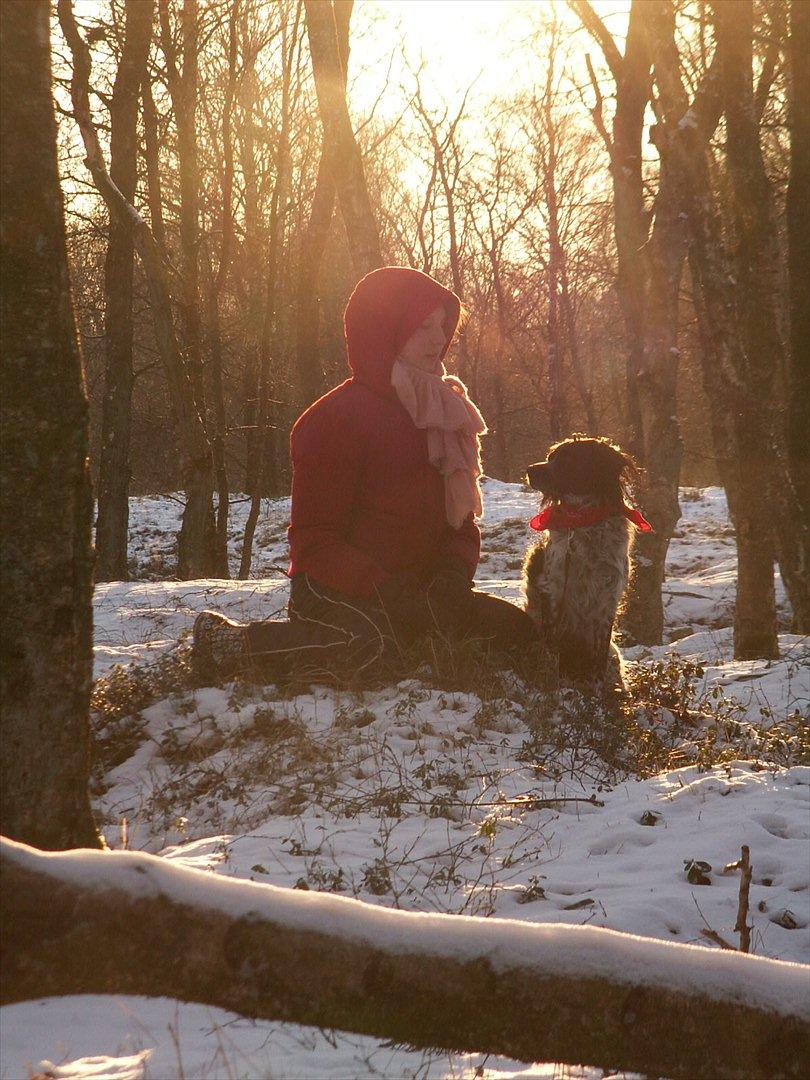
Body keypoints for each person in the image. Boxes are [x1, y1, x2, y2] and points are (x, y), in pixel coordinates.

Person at [193, 266, 538, 681]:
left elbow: (461, 523)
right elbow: (315, 545)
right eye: (423, 326)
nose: (439, 338)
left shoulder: (442, 410)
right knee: (371, 650)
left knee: (518, 637)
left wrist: (451, 576)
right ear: (384, 330)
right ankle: (231, 646)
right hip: (340, 593)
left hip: (422, 591)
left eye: (443, 325)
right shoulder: (333, 420)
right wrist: (388, 591)